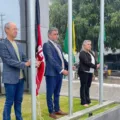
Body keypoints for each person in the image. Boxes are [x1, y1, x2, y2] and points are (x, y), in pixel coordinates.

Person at [0, 22, 40, 120]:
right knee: (9, 101)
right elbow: (8, 60)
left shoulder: (18, 44)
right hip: (10, 79)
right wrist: (24, 64)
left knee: (19, 100)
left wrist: (33, 63)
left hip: (21, 78)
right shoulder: (2, 44)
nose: (16, 31)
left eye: (16, 29)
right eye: (14, 29)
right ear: (6, 30)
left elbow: (24, 58)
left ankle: (19, 118)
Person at [43, 27, 68, 119]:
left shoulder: (58, 45)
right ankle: (51, 111)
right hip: (51, 73)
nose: (57, 36)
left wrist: (69, 66)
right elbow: (51, 60)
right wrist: (62, 70)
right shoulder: (46, 45)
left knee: (57, 92)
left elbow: (62, 59)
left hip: (59, 74)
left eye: (57, 34)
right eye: (54, 34)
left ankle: (57, 109)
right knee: (50, 93)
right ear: (49, 35)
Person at [78, 40, 100, 107]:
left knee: (88, 86)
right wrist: (95, 66)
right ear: (84, 45)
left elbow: (94, 61)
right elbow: (86, 62)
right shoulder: (82, 53)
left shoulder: (90, 52)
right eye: (88, 44)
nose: (90, 45)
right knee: (83, 86)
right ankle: (83, 101)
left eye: (90, 44)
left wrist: (96, 66)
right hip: (84, 72)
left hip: (90, 72)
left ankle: (88, 100)